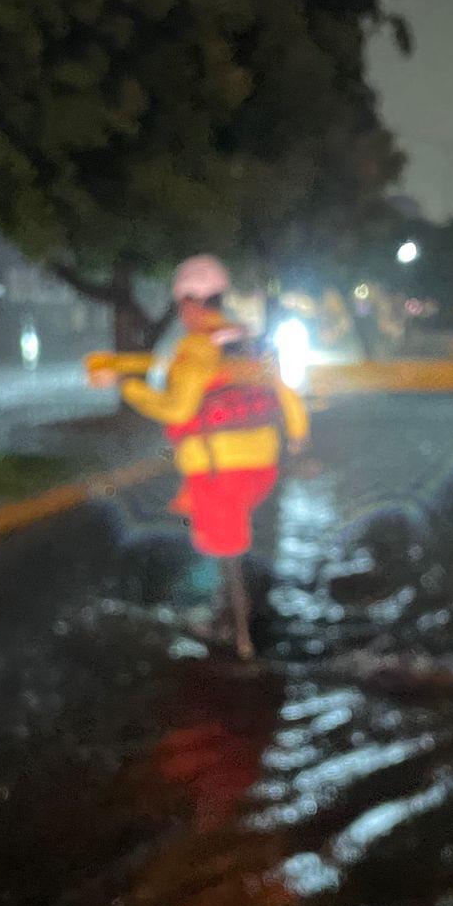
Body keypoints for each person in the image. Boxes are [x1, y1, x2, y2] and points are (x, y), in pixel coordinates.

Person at [88, 255, 309, 660]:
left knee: (224, 549)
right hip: (261, 467)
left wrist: (128, 386)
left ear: (189, 303)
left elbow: (177, 409)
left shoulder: (195, 346)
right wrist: (296, 437)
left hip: (217, 469)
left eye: (181, 304)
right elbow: (286, 394)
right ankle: (239, 616)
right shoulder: (248, 339)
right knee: (233, 546)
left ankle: (239, 640)